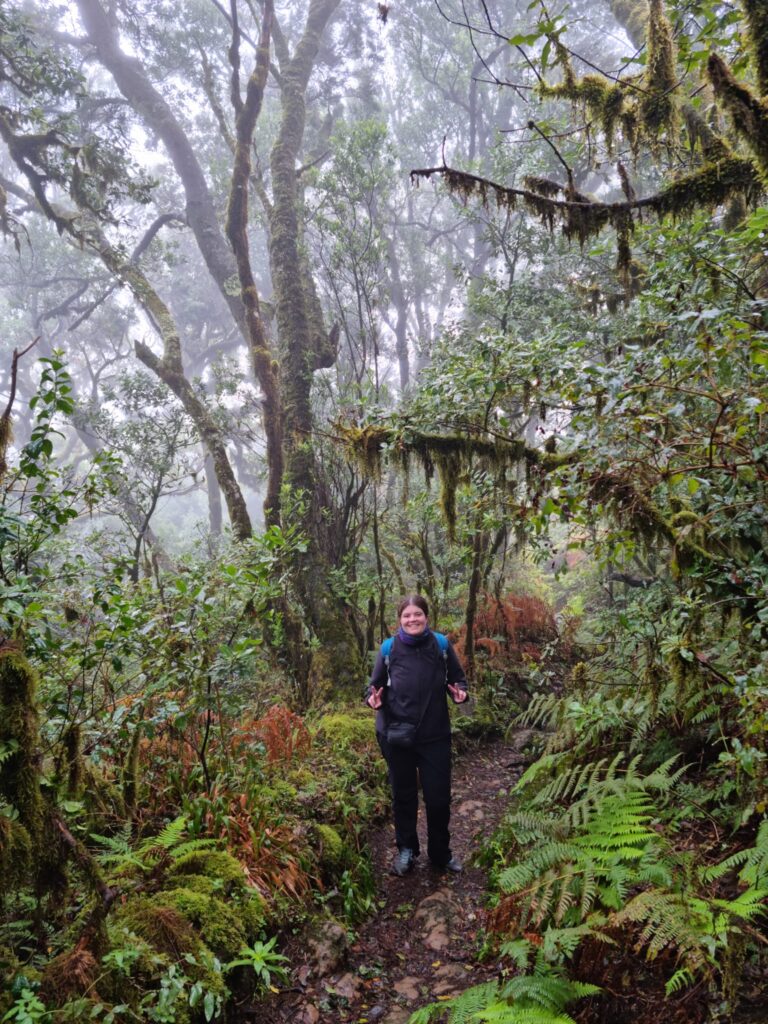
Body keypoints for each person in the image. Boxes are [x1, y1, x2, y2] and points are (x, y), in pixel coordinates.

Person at [366, 595, 468, 876]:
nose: (412, 619)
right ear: (399, 619)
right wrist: (372, 700)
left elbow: (458, 680)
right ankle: (406, 851)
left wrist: (461, 693)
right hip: (397, 735)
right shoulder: (389, 649)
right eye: (407, 615)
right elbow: (373, 688)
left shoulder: (441, 645)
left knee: (438, 798)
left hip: (435, 734)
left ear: (426, 616)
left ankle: (440, 853)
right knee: (404, 796)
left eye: (417, 614)